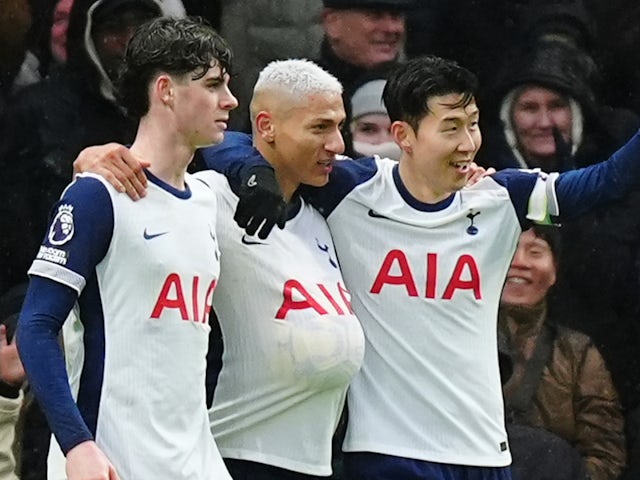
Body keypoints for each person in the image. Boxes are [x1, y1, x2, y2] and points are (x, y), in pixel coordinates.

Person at [75, 55, 640, 479]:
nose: (469, 142)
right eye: (450, 127)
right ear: (403, 136)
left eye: (473, 124)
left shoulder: (502, 198)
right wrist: (105, 156)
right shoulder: (352, 190)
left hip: (484, 452)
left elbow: (609, 180)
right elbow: (250, 140)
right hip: (385, 453)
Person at [74, 58, 365, 480]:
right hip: (228, 454)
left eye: (340, 126)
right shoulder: (207, 199)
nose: (338, 144)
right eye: (320, 127)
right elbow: (139, 201)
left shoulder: (326, 212)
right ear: (266, 127)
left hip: (318, 463)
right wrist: (92, 159)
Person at [16, 15, 237, 480]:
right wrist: (77, 446)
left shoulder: (207, 198)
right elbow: (36, 327)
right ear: (166, 91)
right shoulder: (98, 195)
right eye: (214, 84)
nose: (229, 100)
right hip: (113, 459)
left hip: (195, 460)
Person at [0, 0, 164, 295]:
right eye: (114, 29)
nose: (129, 41)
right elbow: (12, 228)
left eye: (140, 27)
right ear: (85, 37)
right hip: (48, 291)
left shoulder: (172, 111)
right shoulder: (33, 112)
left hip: (147, 289)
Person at [499, 226, 626, 480]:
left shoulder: (577, 354)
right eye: (507, 249)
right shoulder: (456, 339)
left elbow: (606, 454)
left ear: (554, 271)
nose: (519, 262)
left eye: (535, 252)